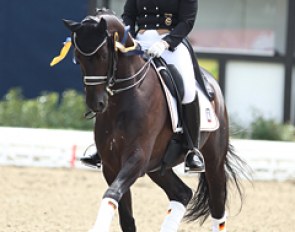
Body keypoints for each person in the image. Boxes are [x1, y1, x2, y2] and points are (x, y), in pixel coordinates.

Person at [81, 0, 205, 172]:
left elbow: (187, 22)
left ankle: (192, 149)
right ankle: (102, 146)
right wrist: (129, 37)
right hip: (139, 42)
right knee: (113, 80)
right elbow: (129, 16)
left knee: (187, 90)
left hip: (171, 45)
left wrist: (166, 43)